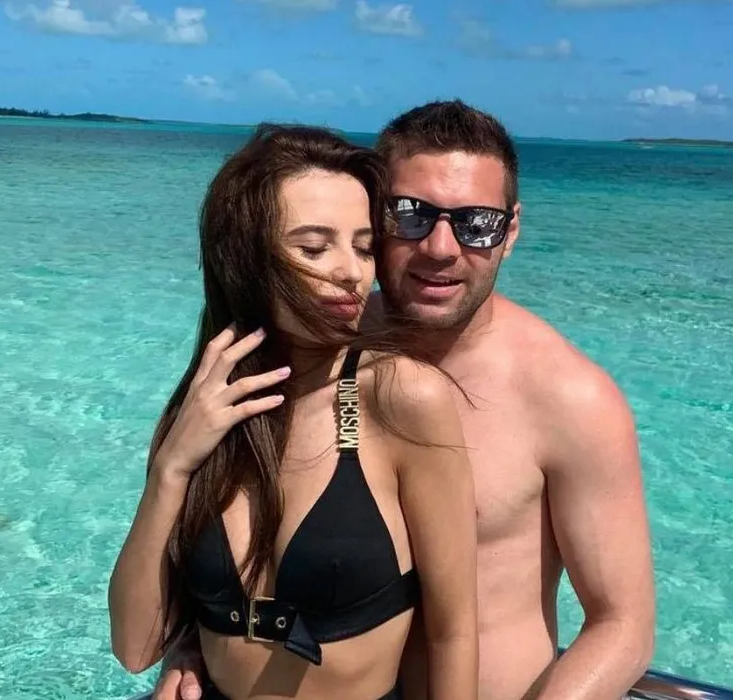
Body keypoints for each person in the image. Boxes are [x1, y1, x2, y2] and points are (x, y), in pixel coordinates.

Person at [151, 100, 656, 700]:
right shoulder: (312, 345)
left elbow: (622, 626)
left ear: (511, 231)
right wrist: (200, 635)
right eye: (411, 215)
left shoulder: (568, 398)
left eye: (477, 223)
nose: (441, 247)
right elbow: (232, 519)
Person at [108, 123, 479, 700]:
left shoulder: (399, 397)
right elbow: (136, 647)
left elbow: (453, 633)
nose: (351, 272)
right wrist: (171, 469)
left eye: (364, 247)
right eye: (313, 248)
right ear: (247, 260)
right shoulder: (207, 407)